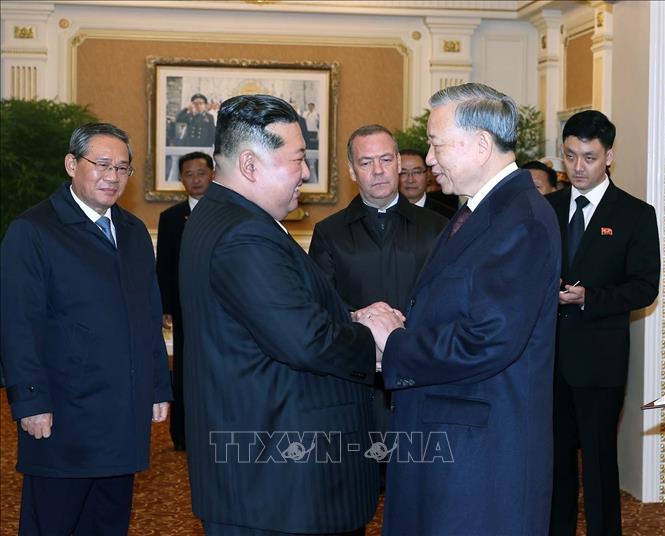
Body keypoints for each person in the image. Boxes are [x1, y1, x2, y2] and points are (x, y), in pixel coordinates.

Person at [356, 83, 562, 535]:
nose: (429, 159)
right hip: (453, 443)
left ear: (481, 144)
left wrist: (396, 343)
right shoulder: (483, 211)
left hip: (480, 458)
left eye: (437, 144)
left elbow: (488, 339)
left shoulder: (520, 220)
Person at [179, 94, 380, 536]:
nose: (306, 173)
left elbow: (277, 317)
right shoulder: (244, 233)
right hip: (280, 485)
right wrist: (374, 339)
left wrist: (351, 320)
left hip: (263, 476)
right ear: (250, 165)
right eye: (298, 159)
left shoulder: (223, 217)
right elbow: (305, 341)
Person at [0, 122, 172, 535]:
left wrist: (157, 385)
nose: (113, 176)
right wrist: (30, 400)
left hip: (123, 414)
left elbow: (148, 316)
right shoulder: (34, 230)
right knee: (54, 523)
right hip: (63, 415)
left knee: (108, 521)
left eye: (122, 168)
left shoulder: (132, 231)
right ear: (71, 164)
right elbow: (18, 324)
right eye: (102, 164)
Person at [309, 126, 447, 484]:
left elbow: (449, 300)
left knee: (419, 484)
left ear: (399, 162)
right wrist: (358, 319)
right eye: (366, 162)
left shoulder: (437, 227)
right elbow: (319, 304)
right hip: (357, 380)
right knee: (355, 487)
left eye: (386, 159)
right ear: (352, 170)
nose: (379, 170)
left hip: (420, 376)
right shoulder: (330, 232)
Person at [547, 110, 660, 536]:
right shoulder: (545, 209)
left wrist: (589, 298)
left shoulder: (635, 214)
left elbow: (644, 287)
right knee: (555, 465)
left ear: (609, 156)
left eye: (589, 157)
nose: (578, 167)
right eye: (570, 155)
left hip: (599, 361)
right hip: (547, 360)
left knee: (598, 465)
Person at [156, 151, 214, 451]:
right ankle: (183, 434)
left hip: (223, 308)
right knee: (185, 369)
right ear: (181, 179)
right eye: (189, 174)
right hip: (184, 308)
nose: (195, 180)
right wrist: (164, 306)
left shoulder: (227, 212)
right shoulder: (171, 218)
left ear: (212, 174)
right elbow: (164, 265)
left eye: (201, 173)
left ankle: (217, 432)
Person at [398, 148, 451, 215]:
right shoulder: (385, 212)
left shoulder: (447, 215)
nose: (410, 180)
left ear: (428, 174)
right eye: (403, 173)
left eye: (417, 172)